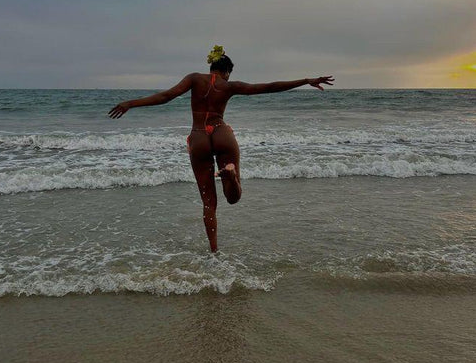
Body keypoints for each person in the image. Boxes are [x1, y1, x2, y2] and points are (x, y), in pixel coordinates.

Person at [108, 45, 334, 252]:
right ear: (226, 72)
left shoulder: (194, 79)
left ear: (211, 67)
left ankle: (214, 251)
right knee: (233, 197)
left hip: (198, 138)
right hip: (221, 133)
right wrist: (305, 80)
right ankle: (231, 175)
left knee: (209, 203)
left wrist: (131, 103)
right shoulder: (229, 86)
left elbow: (166, 96)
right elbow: (268, 87)